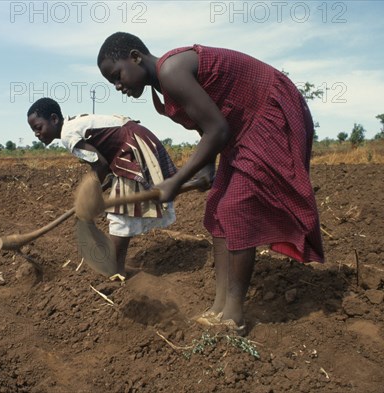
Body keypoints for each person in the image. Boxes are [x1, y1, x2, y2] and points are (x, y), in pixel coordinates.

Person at [97, 32, 325, 333]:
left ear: (136, 57)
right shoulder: (164, 89)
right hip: (241, 128)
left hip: (265, 113)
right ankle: (219, 307)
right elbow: (209, 125)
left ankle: (233, 313)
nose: (118, 86)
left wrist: (176, 181)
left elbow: (217, 130)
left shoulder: (171, 70)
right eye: (112, 82)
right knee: (217, 209)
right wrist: (204, 173)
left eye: (117, 75)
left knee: (236, 207)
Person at [26, 97, 178, 277]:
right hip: (134, 141)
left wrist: (90, 194)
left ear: (54, 119)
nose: (37, 133)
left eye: (38, 127)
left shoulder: (68, 135)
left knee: (120, 213)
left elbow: (100, 164)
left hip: (130, 148)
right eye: (33, 130)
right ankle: (116, 269)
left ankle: (113, 271)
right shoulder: (72, 126)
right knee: (122, 212)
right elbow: (101, 164)